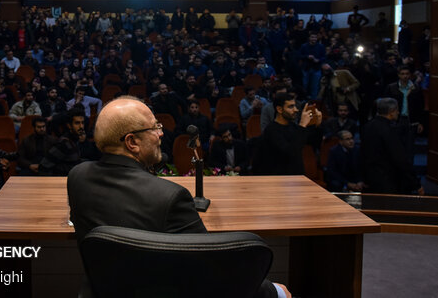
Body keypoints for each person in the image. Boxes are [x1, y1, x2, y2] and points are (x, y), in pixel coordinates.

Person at [68, 96, 289, 298]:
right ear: (132, 142)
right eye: (154, 127)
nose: (162, 133)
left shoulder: (77, 178)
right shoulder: (170, 196)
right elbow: (215, 268)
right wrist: (274, 291)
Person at [361, 98, 424, 195]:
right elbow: (400, 159)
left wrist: (364, 178)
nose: (398, 112)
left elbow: (363, 154)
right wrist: (416, 184)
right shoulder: (389, 130)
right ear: (391, 112)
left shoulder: (368, 126)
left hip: (370, 179)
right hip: (388, 181)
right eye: (397, 110)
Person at [253, 92, 322, 176]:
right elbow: (290, 152)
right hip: (280, 179)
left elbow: (313, 142)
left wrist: (317, 125)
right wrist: (302, 125)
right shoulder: (271, 130)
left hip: (297, 177)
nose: (296, 110)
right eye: (291, 107)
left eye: (295, 106)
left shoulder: (293, 127)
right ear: (279, 109)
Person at [40, 107, 87, 175]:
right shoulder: (64, 144)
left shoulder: (75, 140)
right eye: (77, 123)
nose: (81, 126)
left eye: (82, 123)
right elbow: (43, 167)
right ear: (69, 125)